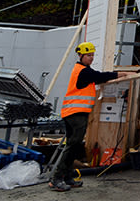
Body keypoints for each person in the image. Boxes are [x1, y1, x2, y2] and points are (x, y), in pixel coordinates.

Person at [50, 41, 129, 192]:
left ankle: (66, 177)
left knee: (73, 146)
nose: (91, 58)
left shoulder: (82, 69)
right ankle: (56, 178)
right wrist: (122, 74)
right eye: (88, 55)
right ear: (81, 55)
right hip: (76, 114)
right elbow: (100, 76)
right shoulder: (83, 71)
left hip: (73, 113)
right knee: (72, 146)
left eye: (92, 55)